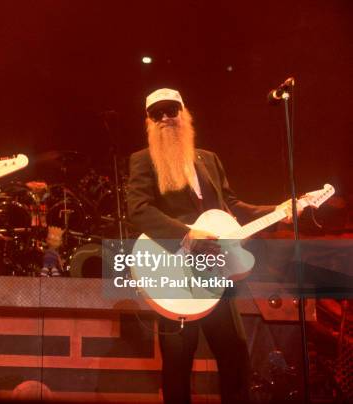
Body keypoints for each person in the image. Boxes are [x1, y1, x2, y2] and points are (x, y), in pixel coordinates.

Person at [126, 88, 303, 404]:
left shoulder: (208, 159)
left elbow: (231, 204)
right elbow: (138, 209)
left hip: (216, 270)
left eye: (172, 110)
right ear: (149, 122)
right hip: (175, 271)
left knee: (235, 355)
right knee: (179, 360)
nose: (166, 118)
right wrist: (185, 233)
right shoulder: (143, 160)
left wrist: (278, 212)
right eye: (158, 113)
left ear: (184, 113)